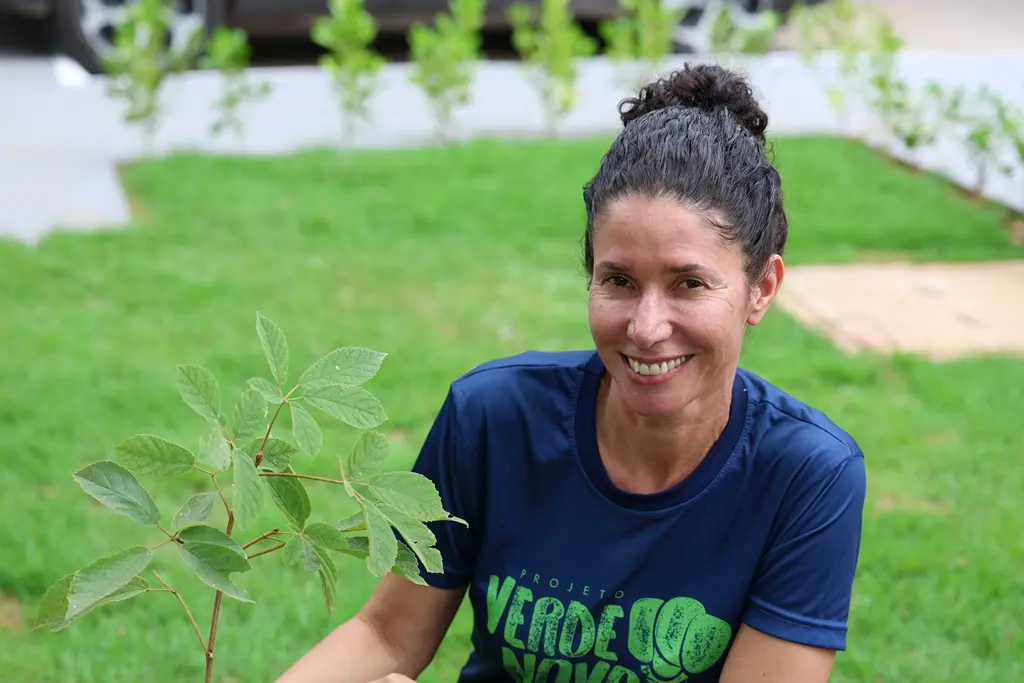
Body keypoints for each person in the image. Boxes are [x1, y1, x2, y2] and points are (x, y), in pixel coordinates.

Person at [276, 62, 866, 683]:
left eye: (689, 284)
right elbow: (385, 635)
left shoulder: (807, 477)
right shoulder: (493, 419)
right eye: (619, 281)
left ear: (761, 288)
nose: (646, 326)